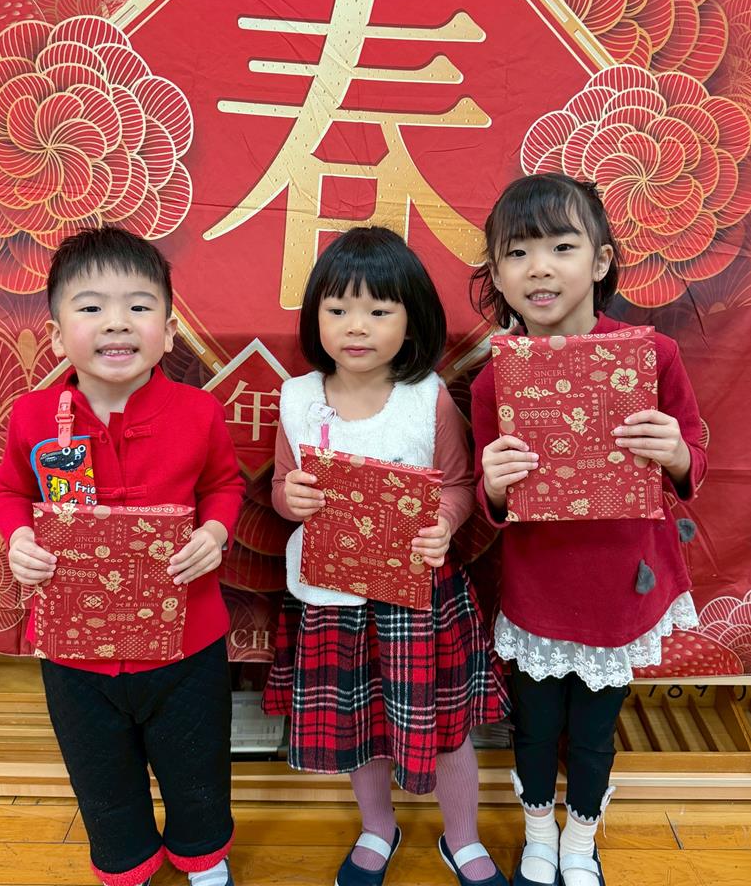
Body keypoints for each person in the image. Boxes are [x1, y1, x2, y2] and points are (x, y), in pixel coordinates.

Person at [469, 174, 707, 886]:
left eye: (561, 247)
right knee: (535, 725)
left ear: (600, 261)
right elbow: (487, 499)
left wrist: (674, 452)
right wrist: (494, 483)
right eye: (517, 253)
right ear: (497, 275)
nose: (539, 268)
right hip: (539, 587)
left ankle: (580, 841)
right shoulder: (493, 380)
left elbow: (694, 449)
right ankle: (537, 834)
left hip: (619, 584)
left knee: (597, 728)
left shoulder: (650, 356)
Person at [0, 228, 245, 886]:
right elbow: (12, 491)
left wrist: (214, 534)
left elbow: (225, 485)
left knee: (197, 769)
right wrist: (19, 539)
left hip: (188, 645)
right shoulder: (32, 416)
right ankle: (127, 865)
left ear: (169, 330)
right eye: (91, 307)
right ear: (56, 337)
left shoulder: (199, 412)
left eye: (138, 306)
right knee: (101, 777)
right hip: (73, 652)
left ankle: (204, 859)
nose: (116, 322)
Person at [262, 227, 510, 886]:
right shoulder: (297, 397)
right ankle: (378, 827)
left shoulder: (426, 397)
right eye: (338, 309)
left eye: (378, 310)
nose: (356, 326)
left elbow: (459, 484)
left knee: (446, 728)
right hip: (331, 601)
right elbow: (280, 488)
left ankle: (462, 838)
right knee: (356, 728)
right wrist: (292, 498)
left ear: (411, 319)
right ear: (315, 317)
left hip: (419, 601)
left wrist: (444, 522)